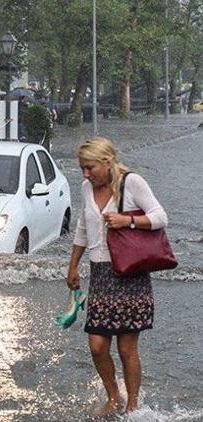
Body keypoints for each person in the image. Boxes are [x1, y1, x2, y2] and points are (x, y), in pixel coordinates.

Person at [67, 137, 168, 416]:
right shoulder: (87, 187)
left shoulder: (132, 182)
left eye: (90, 168)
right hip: (100, 274)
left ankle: (133, 404)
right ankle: (113, 398)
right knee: (97, 346)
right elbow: (82, 228)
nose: (86, 174)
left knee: (126, 348)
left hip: (129, 273)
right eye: (82, 169)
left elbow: (161, 217)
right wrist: (73, 265)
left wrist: (128, 220)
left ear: (107, 162)